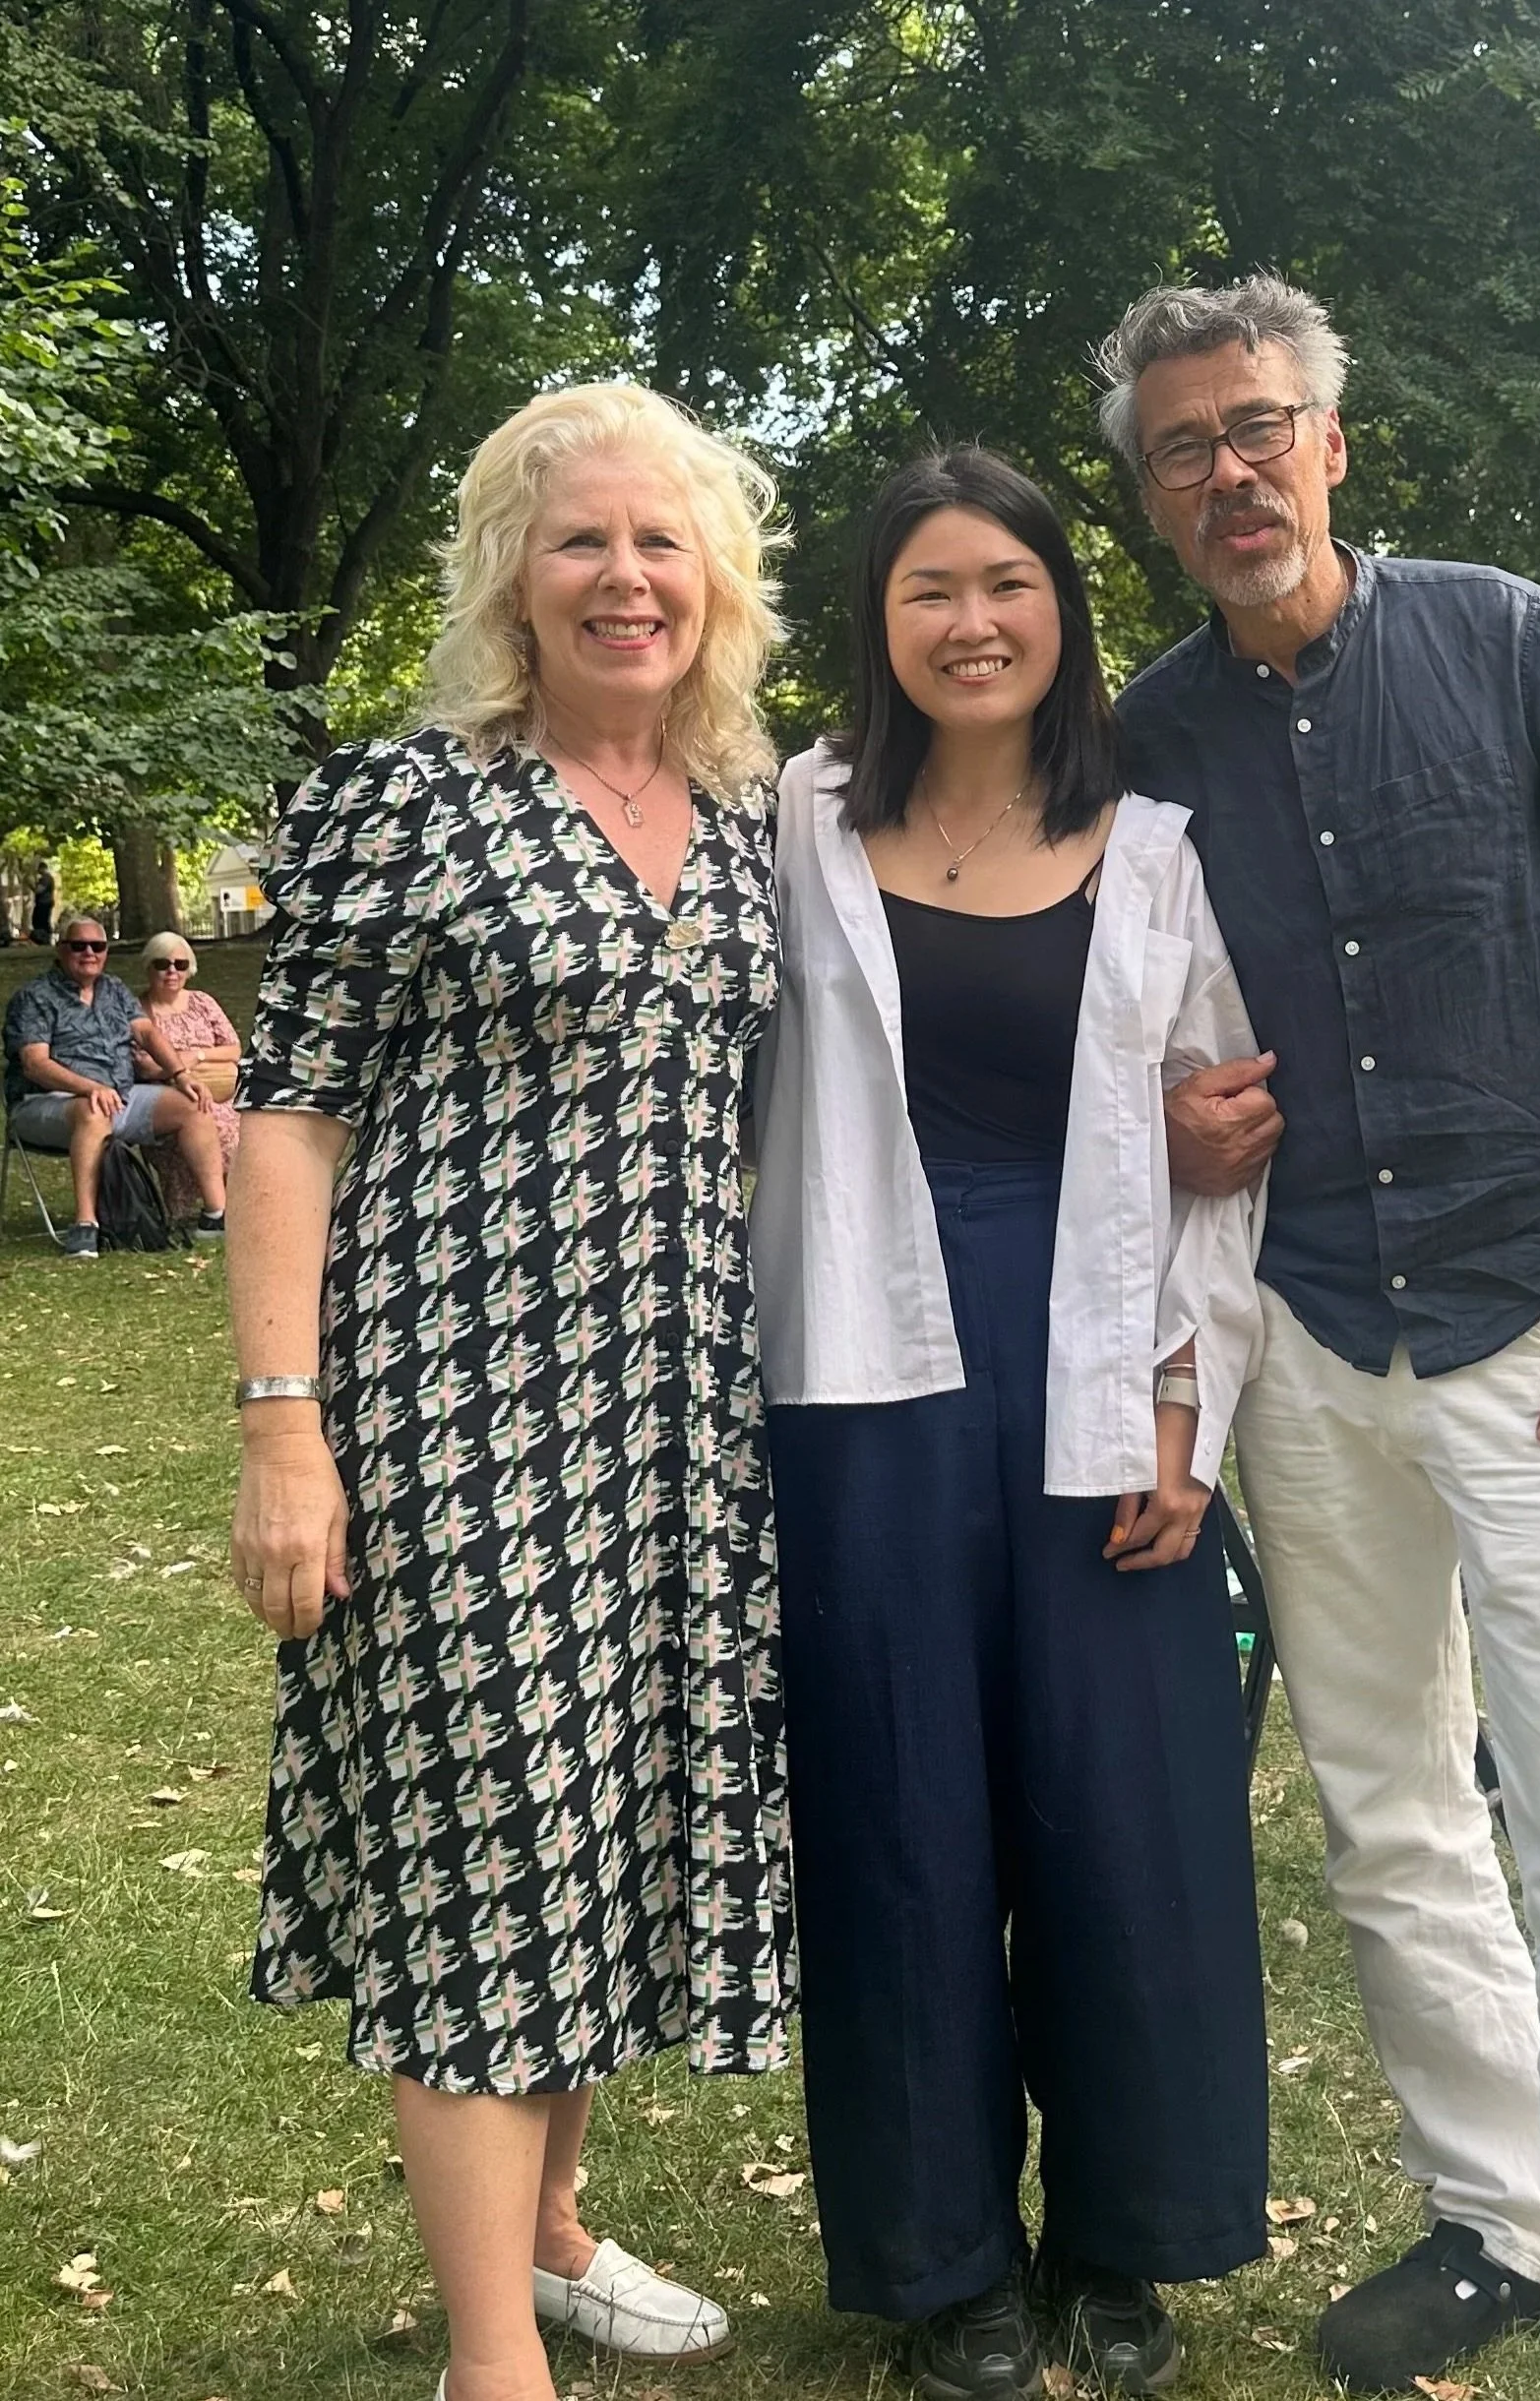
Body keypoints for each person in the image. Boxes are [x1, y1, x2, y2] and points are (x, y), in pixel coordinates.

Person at [1096, 276, 1540, 2401]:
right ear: (1147, 498)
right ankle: (1501, 2215)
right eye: (1184, 446)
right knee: (1388, 1810)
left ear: (1331, 443)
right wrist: (1159, 1122)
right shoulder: (1142, 741)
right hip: (1299, 1341)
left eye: (1259, 424)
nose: (1229, 469)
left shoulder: (1500, 638)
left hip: (1538, 1327)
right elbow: (1110, 1025)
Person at [224, 382, 792, 2401]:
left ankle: (548, 2233)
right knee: (487, 1847)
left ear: (715, 575)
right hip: (451, 1413)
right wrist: (282, 1421)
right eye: (582, 542)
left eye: (660, 541)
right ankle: (495, 2363)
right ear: (510, 576)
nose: (625, 575)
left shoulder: (751, 813)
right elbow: (284, 1115)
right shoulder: (412, 797)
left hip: (679, 1418)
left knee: (607, 1825)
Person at [752, 449, 1270, 2401]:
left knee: (1127, 1815)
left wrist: (1180, 1406)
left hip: (1098, 1383)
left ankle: (1127, 2235)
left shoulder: (1151, 844)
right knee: (896, 1816)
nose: (972, 620)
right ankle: (942, 2255)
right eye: (927, 590)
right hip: (860, 1386)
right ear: (878, 628)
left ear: (1061, 608)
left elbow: (1229, 1144)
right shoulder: (793, 818)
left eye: (1008, 584)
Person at [3, 913, 227, 1255]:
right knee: (92, 1112)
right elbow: (35, 1065)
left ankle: (216, 1216)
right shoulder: (34, 997)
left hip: (120, 1096)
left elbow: (148, 1033)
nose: (89, 952)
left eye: (98, 946)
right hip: (47, 1102)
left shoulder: (114, 990)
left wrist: (180, 1075)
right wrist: (88, 1087)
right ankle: (85, 1227)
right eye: (79, 945)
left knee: (191, 1105)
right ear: (61, 950)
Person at [135, 932, 243, 1223]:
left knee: (242, 1124)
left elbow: (234, 1048)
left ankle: (237, 1204)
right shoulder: (138, 1011)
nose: (172, 971)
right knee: (210, 1121)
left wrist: (197, 1056)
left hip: (219, 1090)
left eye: (180, 965)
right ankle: (218, 1208)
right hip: (171, 1097)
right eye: (162, 964)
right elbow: (143, 1065)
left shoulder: (202, 1002)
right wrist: (177, 1069)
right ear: (148, 967)